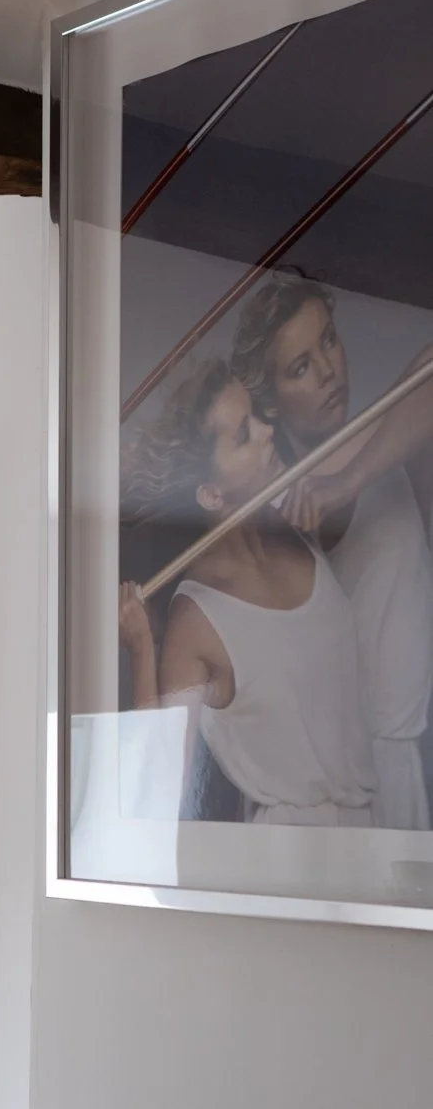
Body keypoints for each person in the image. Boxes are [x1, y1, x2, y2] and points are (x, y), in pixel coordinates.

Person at [119, 359, 377, 827]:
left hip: (372, 830)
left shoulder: (295, 524)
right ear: (211, 494)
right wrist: (140, 647)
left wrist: (349, 479)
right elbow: (158, 794)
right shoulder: (196, 621)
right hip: (286, 853)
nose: (267, 431)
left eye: (257, 415)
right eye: (244, 434)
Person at [231, 271, 433, 828]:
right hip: (348, 785)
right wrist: (343, 483)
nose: (328, 370)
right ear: (272, 405)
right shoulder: (291, 498)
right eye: (300, 367)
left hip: (404, 761)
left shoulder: (385, 445)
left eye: (329, 340)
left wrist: (351, 479)